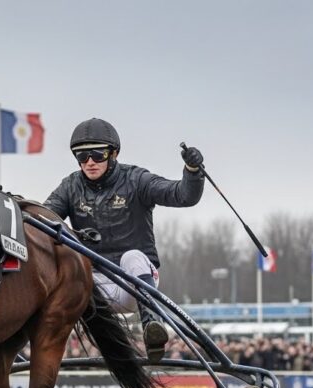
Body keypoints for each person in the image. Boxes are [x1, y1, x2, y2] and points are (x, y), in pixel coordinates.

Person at [44, 118, 205, 362]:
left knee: (133, 256)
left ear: (113, 153)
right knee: (63, 262)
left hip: (136, 285)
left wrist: (192, 173)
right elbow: (45, 217)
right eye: (81, 156)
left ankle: (153, 327)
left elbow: (182, 195)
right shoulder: (70, 186)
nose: (89, 162)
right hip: (94, 289)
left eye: (97, 154)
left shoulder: (136, 179)